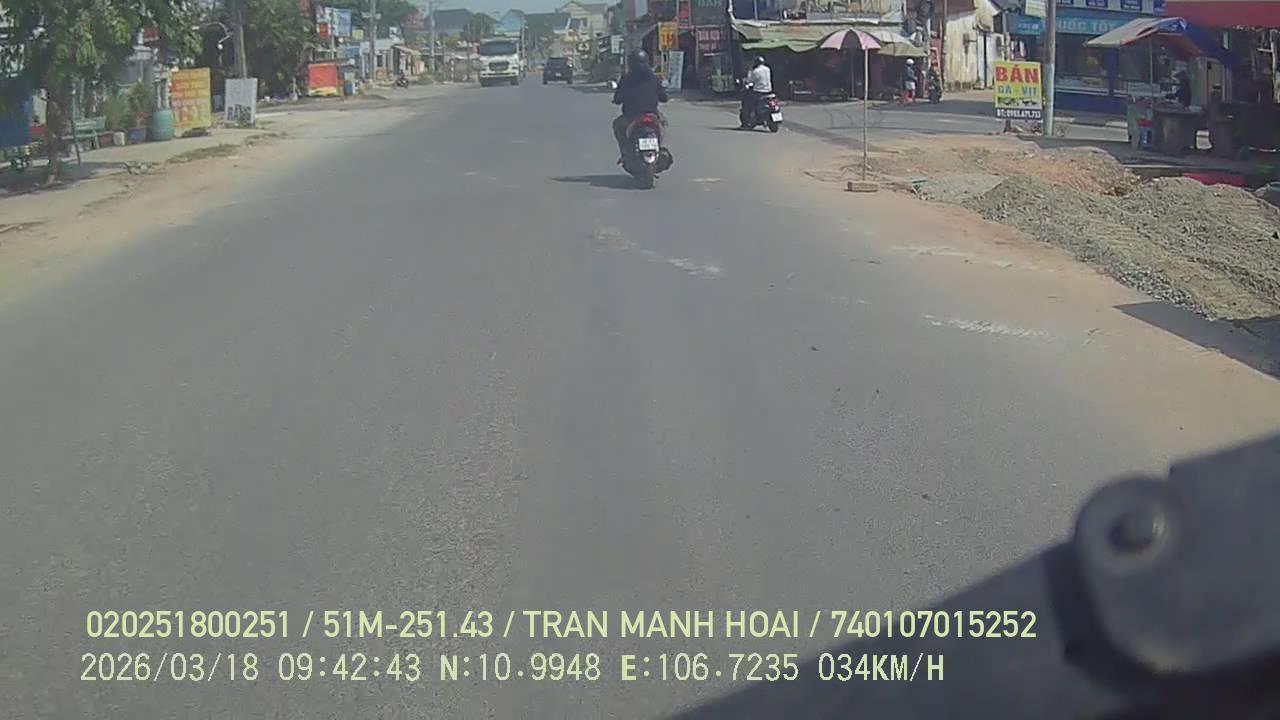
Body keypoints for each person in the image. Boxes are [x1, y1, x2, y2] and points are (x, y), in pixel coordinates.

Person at [612, 50, 669, 163]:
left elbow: (618, 99)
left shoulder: (627, 79)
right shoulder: (653, 78)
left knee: (617, 125)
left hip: (631, 116)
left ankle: (624, 153)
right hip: (652, 114)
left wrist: (618, 100)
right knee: (663, 123)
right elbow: (663, 97)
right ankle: (660, 146)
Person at [740, 55, 773, 128]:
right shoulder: (767, 69)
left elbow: (749, 81)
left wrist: (749, 73)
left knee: (749, 104)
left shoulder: (756, 71)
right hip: (769, 91)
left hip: (759, 92)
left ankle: (751, 117)